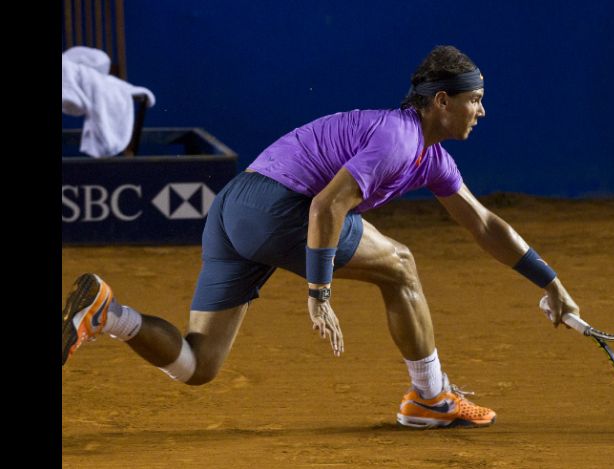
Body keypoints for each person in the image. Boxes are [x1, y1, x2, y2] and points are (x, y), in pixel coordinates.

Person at [62, 45, 580, 429]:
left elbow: (484, 223)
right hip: (277, 208)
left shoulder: (431, 156)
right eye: (476, 100)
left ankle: (111, 315)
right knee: (399, 263)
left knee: (196, 366)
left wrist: (548, 280)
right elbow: (326, 205)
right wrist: (319, 293)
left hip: (230, 209)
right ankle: (429, 397)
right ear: (441, 101)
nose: (481, 111)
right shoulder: (397, 138)